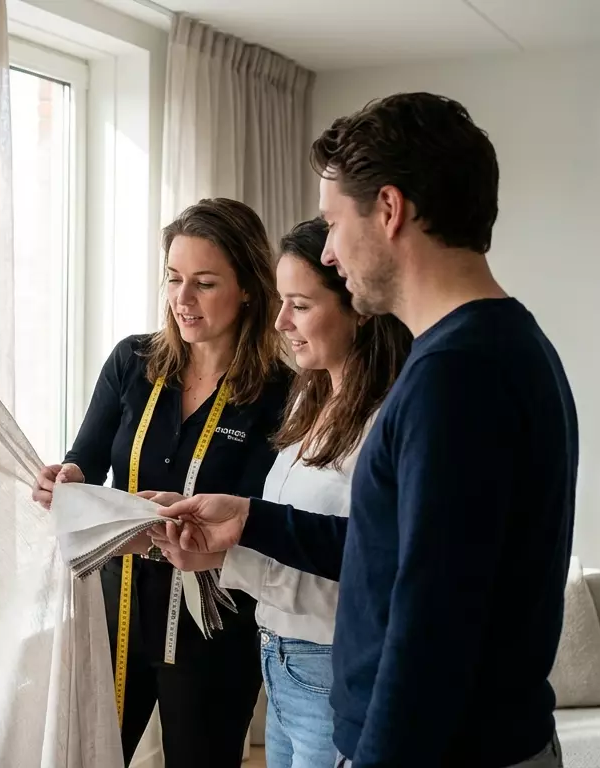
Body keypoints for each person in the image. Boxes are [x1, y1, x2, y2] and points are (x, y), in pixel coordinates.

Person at [156, 93, 577, 767]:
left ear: (388, 210)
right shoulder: (502, 345)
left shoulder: (456, 376)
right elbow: (398, 550)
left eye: (331, 222)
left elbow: (431, 621)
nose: (328, 248)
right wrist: (251, 519)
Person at [32, 198, 291, 767]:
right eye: (173, 279)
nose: (182, 299)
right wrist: (67, 477)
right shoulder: (132, 361)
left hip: (215, 624)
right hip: (117, 609)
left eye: (204, 283)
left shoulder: (281, 392)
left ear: (248, 287)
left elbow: (265, 514)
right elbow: (86, 461)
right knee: (93, 756)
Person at [146, 218, 411, 768]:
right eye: (282, 301)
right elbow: (294, 545)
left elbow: (373, 558)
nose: (281, 320)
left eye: (301, 305)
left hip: (332, 664)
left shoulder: (388, 422)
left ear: (358, 307)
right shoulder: (307, 401)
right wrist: (216, 555)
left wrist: (243, 523)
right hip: (278, 660)